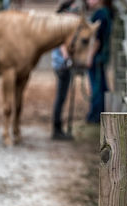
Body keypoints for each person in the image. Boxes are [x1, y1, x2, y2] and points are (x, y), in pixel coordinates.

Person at [50, 0, 78, 140]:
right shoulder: (63, 26)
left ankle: (58, 128)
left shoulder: (59, 25)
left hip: (60, 64)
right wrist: (68, 59)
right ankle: (57, 129)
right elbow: (62, 45)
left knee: (61, 97)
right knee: (60, 98)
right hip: (62, 65)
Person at [86, 0, 113, 123]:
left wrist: (89, 57)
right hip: (102, 56)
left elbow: (97, 40)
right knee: (101, 84)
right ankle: (100, 113)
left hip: (97, 57)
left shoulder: (99, 15)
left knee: (96, 86)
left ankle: (95, 116)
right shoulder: (106, 13)